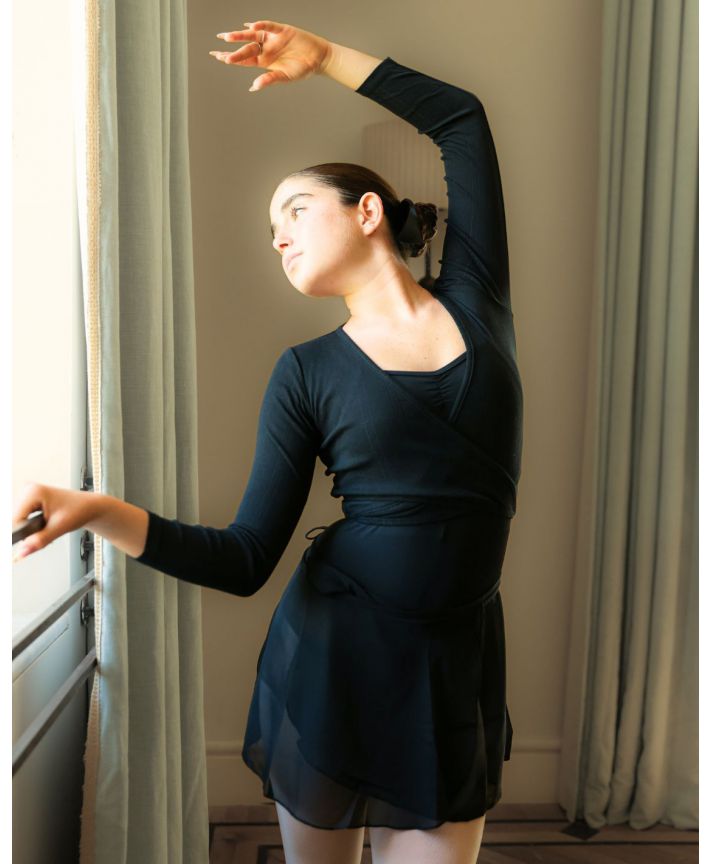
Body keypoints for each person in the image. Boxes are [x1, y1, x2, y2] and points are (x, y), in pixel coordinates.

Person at [12, 19, 523, 864]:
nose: (278, 236)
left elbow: (460, 118)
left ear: (368, 211)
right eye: (271, 229)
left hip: (452, 666)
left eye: (294, 211)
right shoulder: (305, 373)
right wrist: (97, 510)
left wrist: (323, 59)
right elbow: (246, 557)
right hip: (336, 660)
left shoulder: (476, 300)